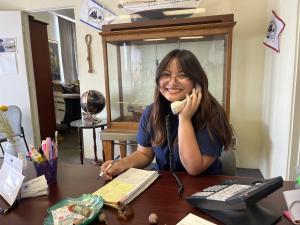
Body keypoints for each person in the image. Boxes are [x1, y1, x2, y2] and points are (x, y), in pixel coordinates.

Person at [101, 49, 233, 180]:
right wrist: (122, 163)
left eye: (182, 75)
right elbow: (144, 154)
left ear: (197, 82)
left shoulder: (212, 114)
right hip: (165, 185)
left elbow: (194, 168)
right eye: (166, 74)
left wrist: (184, 119)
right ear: (158, 82)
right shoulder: (152, 112)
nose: (172, 82)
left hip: (204, 187)